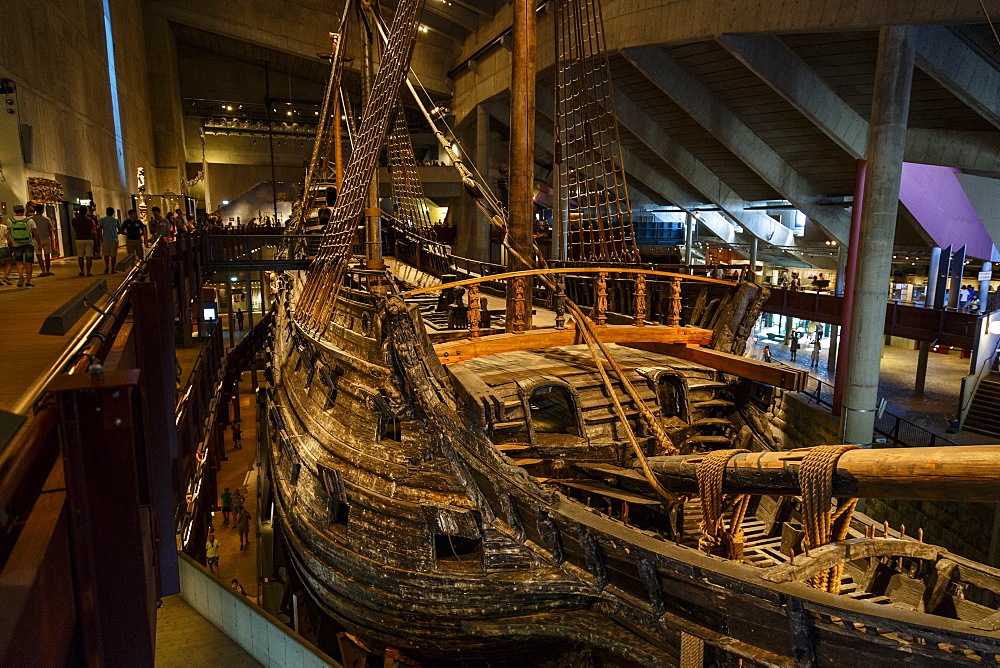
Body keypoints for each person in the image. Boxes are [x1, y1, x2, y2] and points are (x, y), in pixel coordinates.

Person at [7, 205, 40, 288]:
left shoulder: (10, 220)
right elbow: (35, 233)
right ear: (23, 210)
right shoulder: (29, 220)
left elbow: (8, 232)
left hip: (16, 243)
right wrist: (39, 243)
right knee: (29, 263)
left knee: (19, 261)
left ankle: (21, 275)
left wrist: (10, 242)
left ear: (14, 211)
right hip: (28, 243)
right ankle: (28, 282)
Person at [31, 205, 55, 277]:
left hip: (36, 239)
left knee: (39, 256)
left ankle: (43, 271)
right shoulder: (47, 219)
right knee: (47, 256)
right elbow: (50, 230)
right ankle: (48, 270)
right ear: (42, 210)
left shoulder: (32, 219)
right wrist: (52, 240)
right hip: (46, 238)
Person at [72, 207, 96, 276]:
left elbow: (75, 228)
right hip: (88, 238)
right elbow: (91, 229)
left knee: (80, 256)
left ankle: (82, 271)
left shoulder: (74, 220)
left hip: (79, 238)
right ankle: (88, 272)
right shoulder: (89, 220)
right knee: (89, 256)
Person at [98, 207, 121, 274]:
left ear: (106, 212)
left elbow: (100, 229)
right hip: (114, 239)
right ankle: (113, 269)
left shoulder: (102, 220)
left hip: (105, 238)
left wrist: (100, 237)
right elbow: (119, 230)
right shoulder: (116, 220)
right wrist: (116, 233)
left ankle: (107, 266)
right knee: (113, 255)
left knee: (106, 254)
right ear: (113, 213)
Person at [0, 218, 13, 285]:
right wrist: (11, 245)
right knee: (8, 262)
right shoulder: (4, 227)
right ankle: (6, 276)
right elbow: (7, 238)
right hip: (3, 247)